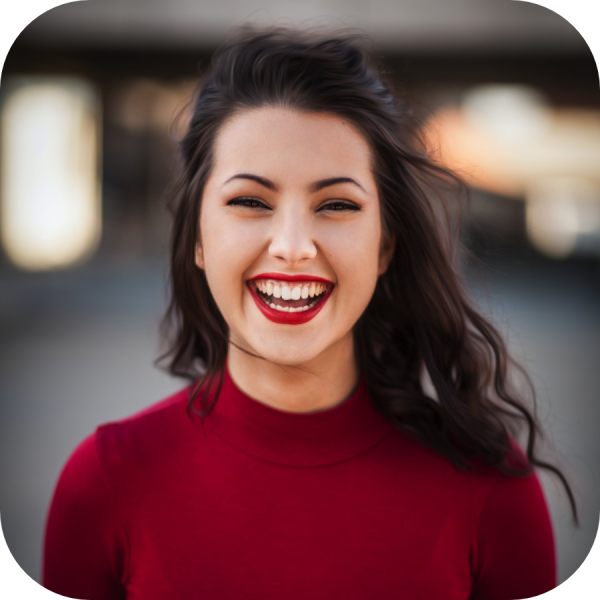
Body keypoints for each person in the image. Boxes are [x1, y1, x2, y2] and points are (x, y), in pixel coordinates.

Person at [43, 27, 576, 599]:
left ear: (385, 245)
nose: (293, 246)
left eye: (337, 205)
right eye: (250, 202)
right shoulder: (103, 483)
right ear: (197, 236)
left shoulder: (492, 489)